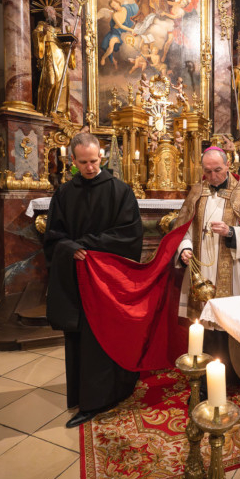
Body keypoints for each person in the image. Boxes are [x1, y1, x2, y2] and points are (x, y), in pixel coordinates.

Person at [44, 132, 143, 428]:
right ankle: (86, 398)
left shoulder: (120, 191)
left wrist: (85, 244)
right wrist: (69, 247)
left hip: (108, 278)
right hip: (77, 277)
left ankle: (113, 391)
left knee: (106, 334)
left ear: (102, 157)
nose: (89, 167)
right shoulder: (64, 193)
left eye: (93, 161)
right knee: (81, 338)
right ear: (73, 161)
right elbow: (53, 235)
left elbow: (129, 234)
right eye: (82, 162)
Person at [174, 147, 240, 380]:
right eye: (208, 171)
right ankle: (205, 375)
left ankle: (233, 374)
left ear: (228, 166)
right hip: (201, 267)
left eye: (218, 170)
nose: (213, 176)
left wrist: (231, 232)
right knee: (203, 322)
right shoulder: (197, 192)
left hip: (232, 270)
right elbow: (184, 229)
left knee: (228, 322)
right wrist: (185, 248)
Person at [33, 5, 77, 117]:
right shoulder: (41, 25)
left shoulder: (58, 30)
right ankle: (46, 111)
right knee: (51, 82)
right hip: (49, 55)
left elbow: (65, 46)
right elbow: (36, 36)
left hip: (60, 56)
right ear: (45, 14)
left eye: (52, 11)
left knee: (62, 83)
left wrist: (71, 46)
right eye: (48, 11)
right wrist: (42, 33)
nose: (51, 13)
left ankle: (59, 111)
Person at [100, 0, 138, 68]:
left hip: (124, 33)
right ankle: (103, 58)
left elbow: (136, 7)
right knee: (111, 45)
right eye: (113, 6)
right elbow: (121, 26)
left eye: (115, 4)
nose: (115, 7)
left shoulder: (127, 8)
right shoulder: (115, 15)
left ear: (118, 2)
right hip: (116, 32)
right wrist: (131, 30)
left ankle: (114, 61)